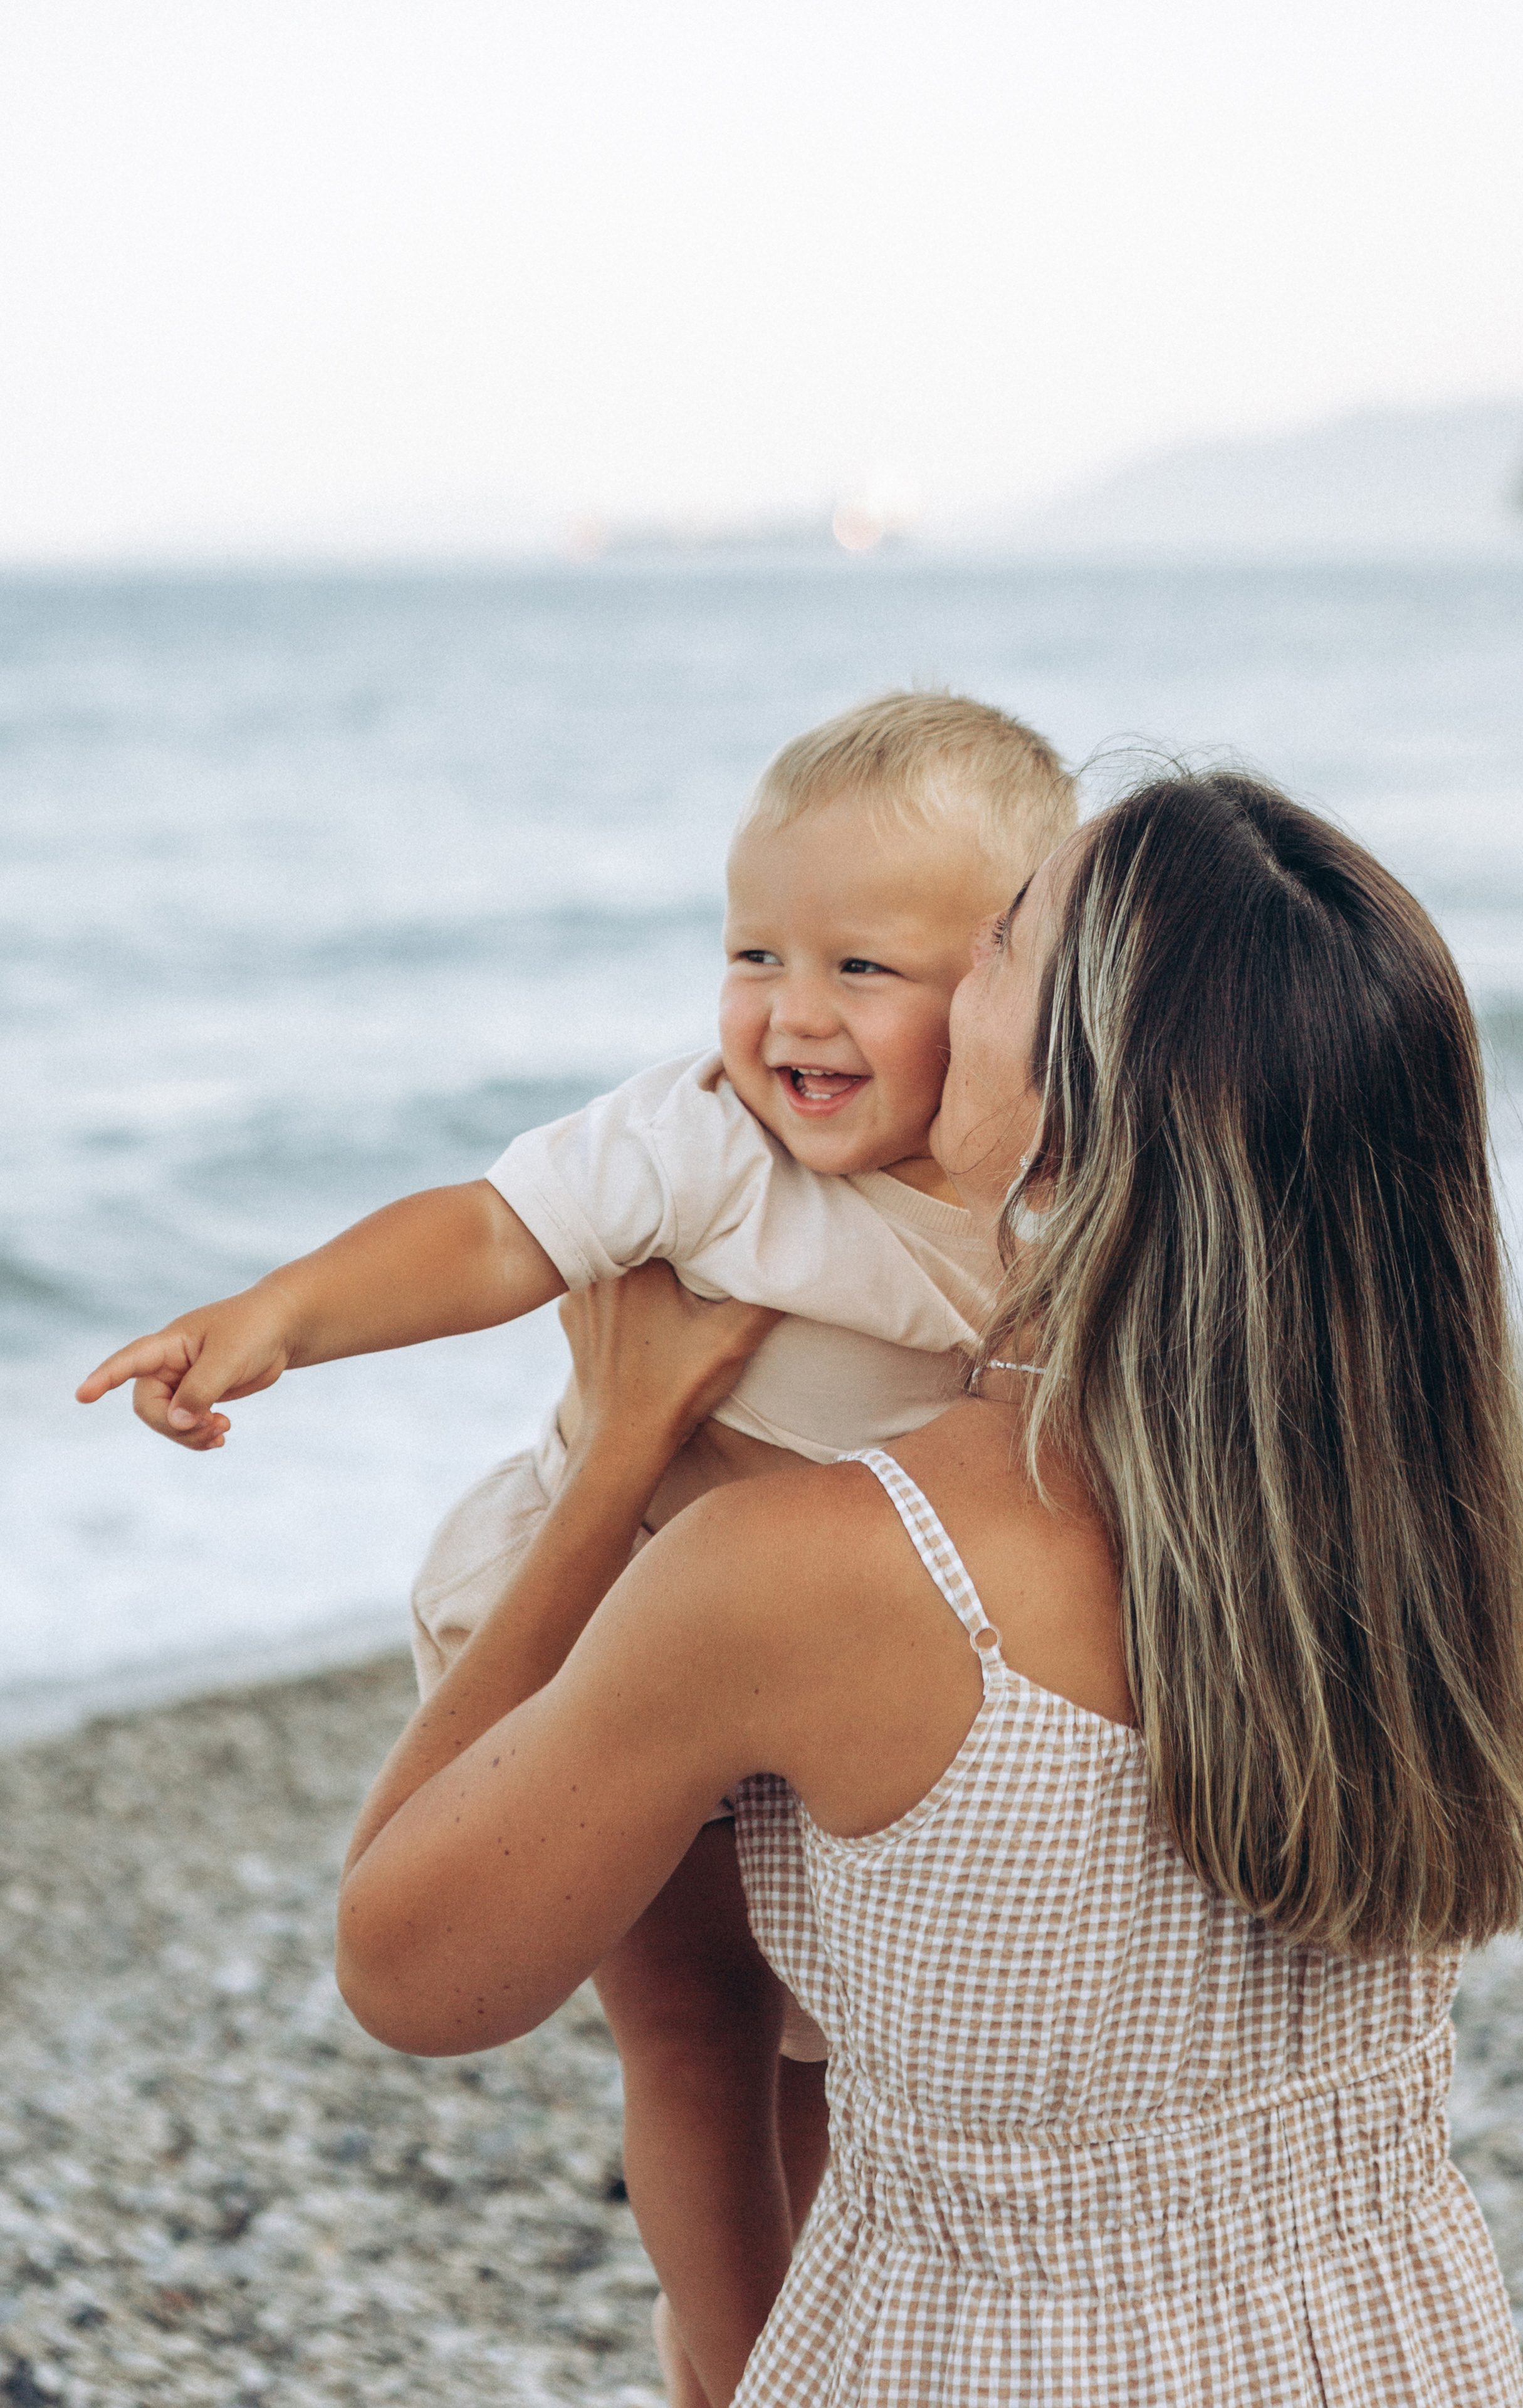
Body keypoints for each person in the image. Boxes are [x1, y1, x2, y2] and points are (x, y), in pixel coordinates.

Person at [337, 769, 1523, 2407]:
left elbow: (409, 1967)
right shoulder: (1412, 1515)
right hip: (1394, 2339)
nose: (934, 979)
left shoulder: (819, 1571)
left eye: (996, 945)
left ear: (1066, 1111)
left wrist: (618, 1451)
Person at [75, 689, 1080, 2404]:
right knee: (690, 2032)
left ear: (1015, 987)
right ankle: (733, 2359)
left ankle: (823, 2351)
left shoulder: (1055, 1192)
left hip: (842, 1677)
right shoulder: (704, 1138)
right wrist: (283, 1318)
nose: (790, 1012)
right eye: (755, 950)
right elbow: (488, 1230)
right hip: (604, 1634)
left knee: (834, 2053)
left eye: (862, 967)